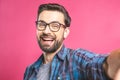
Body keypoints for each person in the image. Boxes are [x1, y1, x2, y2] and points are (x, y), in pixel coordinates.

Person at [24, 3, 120, 80]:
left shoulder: (76, 59)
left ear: (65, 32)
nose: (46, 31)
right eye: (42, 24)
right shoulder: (30, 70)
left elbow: (103, 64)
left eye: (55, 25)